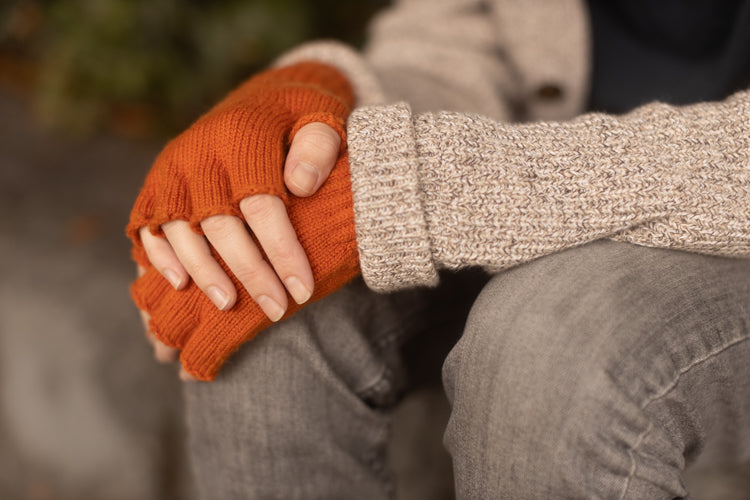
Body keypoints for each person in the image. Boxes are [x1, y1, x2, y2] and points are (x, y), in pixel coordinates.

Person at [127, 0, 750, 497]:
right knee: (263, 307)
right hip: (528, 176)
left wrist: (414, 183)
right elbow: (461, 29)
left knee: (552, 346)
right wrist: (331, 101)